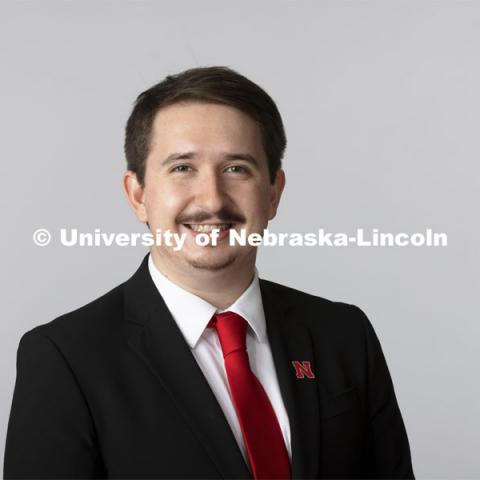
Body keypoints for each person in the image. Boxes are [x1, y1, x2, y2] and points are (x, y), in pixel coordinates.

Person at [4, 66, 414, 479]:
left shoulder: (344, 335)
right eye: (182, 168)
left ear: (273, 193)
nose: (212, 199)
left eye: (237, 168)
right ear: (138, 194)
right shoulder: (66, 359)